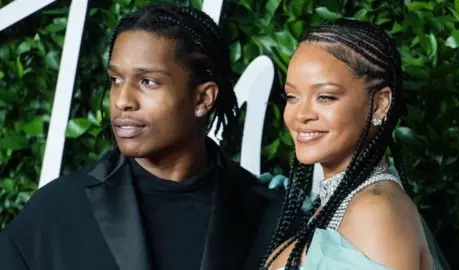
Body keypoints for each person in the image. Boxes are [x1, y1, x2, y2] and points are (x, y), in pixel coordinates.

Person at [0, 4, 286, 270]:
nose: (122, 100)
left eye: (148, 82)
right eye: (115, 80)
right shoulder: (57, 210)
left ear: (203, 98)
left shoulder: (267, 214)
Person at [260, 19, 449, 270]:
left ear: (380, 104)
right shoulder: (346, 203)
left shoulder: (376, 211)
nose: (301, 114)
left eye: (325, 97)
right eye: (292, 97)